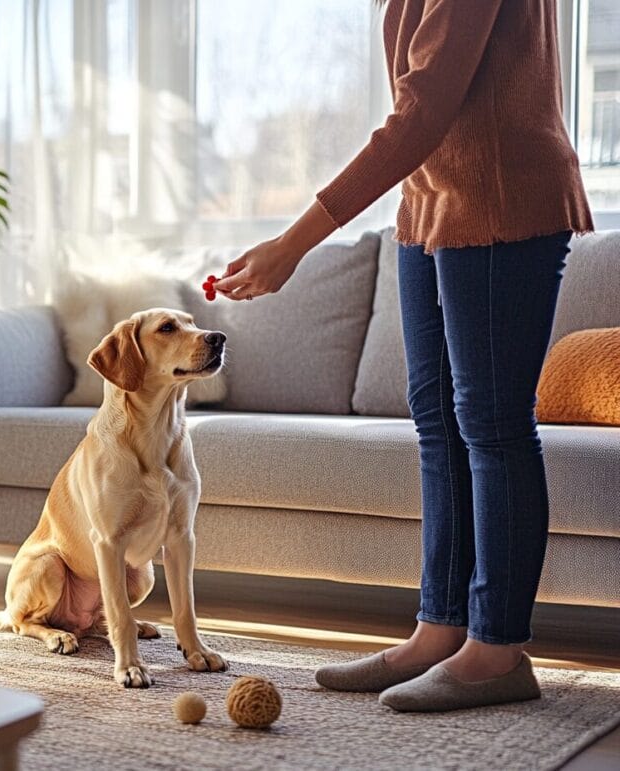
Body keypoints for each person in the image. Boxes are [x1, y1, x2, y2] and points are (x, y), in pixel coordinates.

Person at [212, 0, 593, 713]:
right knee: (438, 419)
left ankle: (498, 648)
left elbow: (422, 110)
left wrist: (295, 242)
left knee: (492, 422)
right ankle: (441, 627)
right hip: (431, 205)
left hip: (503, 195)